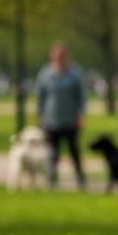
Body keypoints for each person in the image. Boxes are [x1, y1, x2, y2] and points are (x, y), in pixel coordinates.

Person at [36, 42, 88, 190]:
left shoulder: (74, 73)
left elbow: (82, 96)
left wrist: (81, 116)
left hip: (70, 119)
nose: (60, 58)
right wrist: (41, 116)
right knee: (52, 153)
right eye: (57, 55)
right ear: (51, 56)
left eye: (62, 55)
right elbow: (40, 96)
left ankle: (80, 178)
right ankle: (52, 179)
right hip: (51, 120)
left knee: (74, 151)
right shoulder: (45, 74)